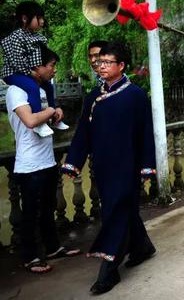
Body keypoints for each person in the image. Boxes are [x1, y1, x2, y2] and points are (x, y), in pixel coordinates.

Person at [61, 41, 156, 294]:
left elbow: (147, 133)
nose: (100, 66)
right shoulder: (94, 97)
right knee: (121, 211)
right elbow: (83, 133)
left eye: (106, 62)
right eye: (98, 62)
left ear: (121, 66)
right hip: (102, 168)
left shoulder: (135, 95)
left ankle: (108, 271)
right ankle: (142, 247)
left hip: (128, 168)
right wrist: (73, 161)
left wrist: (147, 166)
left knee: (115, 214)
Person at [7, 45, 80, 274]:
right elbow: (29, 120)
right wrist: (51, 112)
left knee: (48, 208)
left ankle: (52, 248)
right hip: (29, 165)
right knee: (30, 213)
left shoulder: (41, 90)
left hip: (47, 160)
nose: (54, 70)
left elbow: (44, 119)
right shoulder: (16, 92)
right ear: (35, 66)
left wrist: (55, 113)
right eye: (51, 65)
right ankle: (30, 257)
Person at [1, 1, 68, 136]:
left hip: (31, 72)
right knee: (32, 87)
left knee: (49, 87)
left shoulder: (39, 38)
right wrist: (31, 72)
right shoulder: (16, 37)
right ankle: (39, 121)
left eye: (43, 18)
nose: (42, 21)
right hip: (15, 72)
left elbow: (44, 57)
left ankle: (55, 118)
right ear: (25, 18)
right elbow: (16, 60)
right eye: (39, 18)